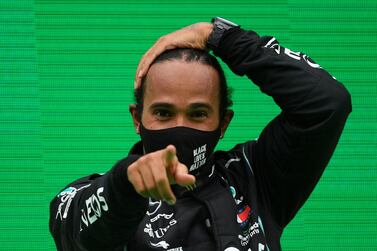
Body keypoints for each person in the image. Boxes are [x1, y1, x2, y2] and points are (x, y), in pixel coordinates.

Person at [49, 17, 352, 251]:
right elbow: (73, 233)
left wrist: (220, 36)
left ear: (223, 123)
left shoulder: (255, 177)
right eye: (163, 113)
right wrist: (127, 183)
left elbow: (327, 102)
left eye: (198, 114)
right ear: (137, 119)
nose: (180, 127)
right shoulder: (94, 196)